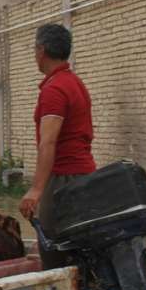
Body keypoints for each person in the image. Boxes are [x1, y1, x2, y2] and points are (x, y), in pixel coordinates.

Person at [18, 24, 96, 270]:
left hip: (64, 178)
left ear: (41, 50)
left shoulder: (54, 89)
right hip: (86, 175)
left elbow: (48, 142)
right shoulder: (74, 82)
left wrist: (36, 190)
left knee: (52, 244)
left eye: (34, 48)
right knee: (79, 240)